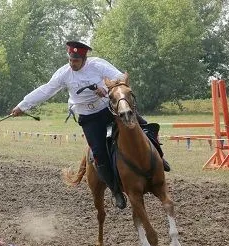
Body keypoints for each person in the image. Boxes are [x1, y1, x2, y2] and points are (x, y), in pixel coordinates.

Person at [11, 41, 170, 210]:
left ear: (84, 58)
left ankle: (159, 160)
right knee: (99, 155)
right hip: (89, 119)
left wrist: (104, 88)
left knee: (146, 126)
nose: (73, 64)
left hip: (109, 110)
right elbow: (46, 90)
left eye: (76, 61)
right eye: (71, 60)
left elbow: (120, 79)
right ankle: (116, 190)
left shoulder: (98, 65)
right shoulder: (63, 74)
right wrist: (22, 106)